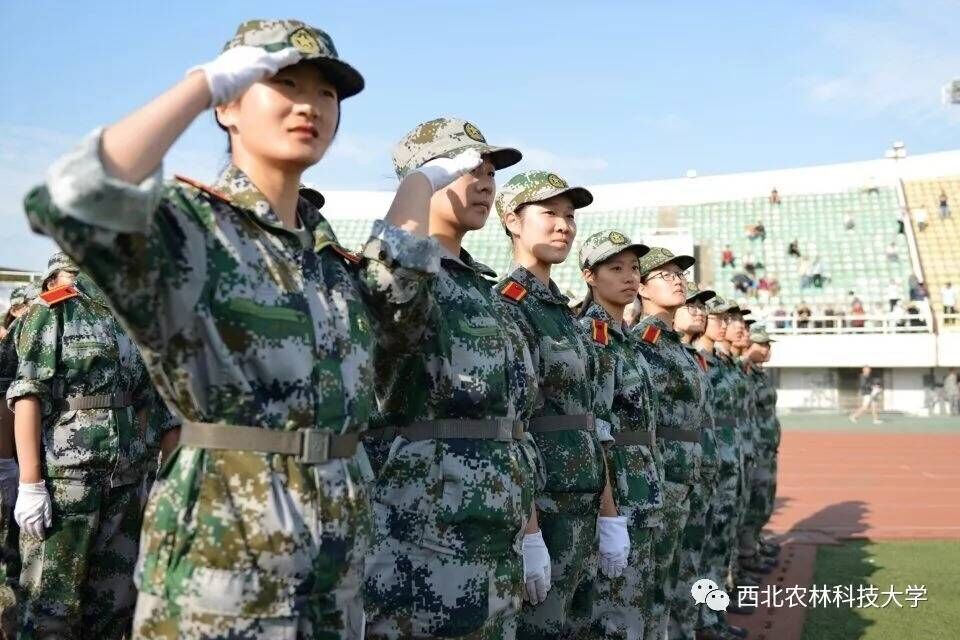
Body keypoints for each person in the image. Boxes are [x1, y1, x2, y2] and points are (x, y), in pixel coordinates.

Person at [23, 19, 444, 638]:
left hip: (335, 567)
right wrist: (200, 86)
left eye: (326, 93)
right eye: (284, 84)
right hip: (224, 566)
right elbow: (71, 199)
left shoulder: (328, 261)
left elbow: (400, 309)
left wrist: (419, 181)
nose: (309, 104)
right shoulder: (193, 231)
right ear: (230, 107)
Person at [363, 118, 542, 639]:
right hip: (425, 531)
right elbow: (389, 288)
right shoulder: (410, 276)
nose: (485, 183)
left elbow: (512, 419)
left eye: (491, 173)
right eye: (468, 170)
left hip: (496, 525)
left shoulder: (484, 290)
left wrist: (530, 527)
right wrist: (418, 186)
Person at [6, 254, 167, 638]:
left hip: (127, 482)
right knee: (50, 609)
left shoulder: (134, 317)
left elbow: (151, 402)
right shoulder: (54, 310)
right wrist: (30, 482)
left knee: (114, 605)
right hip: (67, 483)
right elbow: (27, 395)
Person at [493, 171, 610, 638]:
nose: (564, 225)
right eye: (550, 213)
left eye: (570, 216)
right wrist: (529, 531)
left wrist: (607, 509)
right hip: (543, 502)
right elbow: (509, 425)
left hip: (581, 495)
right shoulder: (508, 305)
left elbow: (589, 419)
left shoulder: (563, 313)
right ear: (513, 222)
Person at [577, 230, 661, 639]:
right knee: (613, 611)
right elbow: (596, 431)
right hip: (619, 492)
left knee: (635, 604)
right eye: (616, 268)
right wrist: (608, 512)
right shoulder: (592, 337)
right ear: (590, 276)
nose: (630, 277)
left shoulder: (623, 337)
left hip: (642, 487)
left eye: (634, 268)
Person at [631, 247, 705, 640]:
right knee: (652, 583)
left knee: (672, 575)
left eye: (680, 274)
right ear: (641, 287)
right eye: (665, 274)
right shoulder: (643, 343)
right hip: (659, 476)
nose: (677, 280)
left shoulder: (675, 344)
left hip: (683, 474)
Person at [696, 296, 749, 639]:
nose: (726, 324)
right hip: (707, 461)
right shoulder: (700, 361)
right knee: (705, 547)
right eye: (720, 317)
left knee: (719, 542)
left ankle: (713, 616)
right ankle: (704, 619)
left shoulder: (720, 362)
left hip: (726, 456)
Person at [670, 281, 722, 640]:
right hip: (671, 475)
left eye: (703, 307)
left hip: (698, 468)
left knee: (695, 557)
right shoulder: (655, 349)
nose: (700, 312)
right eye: (692, 305)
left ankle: (697, 624)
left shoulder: (692, 357)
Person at [0, 283, 38, 635]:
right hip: (9, 462)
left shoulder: (24, 341)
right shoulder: (10, 342)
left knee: (16, 550)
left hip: (17, 462)